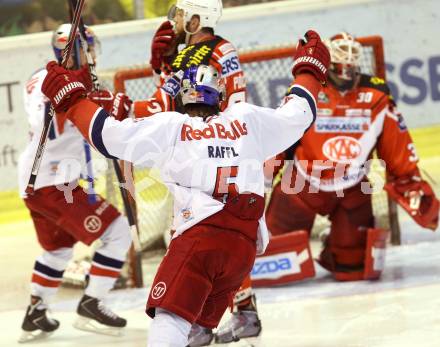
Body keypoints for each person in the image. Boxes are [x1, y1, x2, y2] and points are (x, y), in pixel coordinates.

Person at [40, 30, 330, 346]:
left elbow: (108, 138)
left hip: (200, 239)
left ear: (182, 97)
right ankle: (242, 309)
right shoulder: (247, 119)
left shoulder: (172, 126)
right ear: (218, 95)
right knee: (195, 332)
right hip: (243, 250)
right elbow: (300, 113)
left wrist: (72, 99)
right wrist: (308, 70)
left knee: (171, 321)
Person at [263, 32, 439, 283]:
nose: (346, 74)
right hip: (301, 184)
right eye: (340, 67)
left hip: (353, 187)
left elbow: (396, 145)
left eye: (351, 68)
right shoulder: (309, 89)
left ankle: (333, 244)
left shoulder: (377, 96)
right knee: (268, 260)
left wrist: (410, 183)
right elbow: (282, 130)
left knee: (354, 269)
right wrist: (264, 173)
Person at [134, 1, 258, 343]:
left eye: (180, 13)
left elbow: (235, 97)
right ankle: (203, 319)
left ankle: (245, 310)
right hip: (194, 146)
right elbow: (172, 97)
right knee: (191, 228)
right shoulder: (185, 52)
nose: (174, 20)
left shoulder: (221, 48)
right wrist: (161, 66)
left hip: (217, 148)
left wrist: (227, 139)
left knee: (220, 227)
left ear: (198, 16)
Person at [18, 24, 133, 342]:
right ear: (75, 49)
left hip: (44, 182)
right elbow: (51, 125)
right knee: (118, 232)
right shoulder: (45, 81)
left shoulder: (66, 80)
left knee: (57, 250)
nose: (94, 53)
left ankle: (36, 311)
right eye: (89, 46)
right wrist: (89, 98)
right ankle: (92, 302)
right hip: (52, 183)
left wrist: (93, 98)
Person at [132, 0, 246, 118]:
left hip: (206, 131)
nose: (175, 19)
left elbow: (166, 104)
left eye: (180, 14)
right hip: (233, 127)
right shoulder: (222, 45)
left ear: (194, 23)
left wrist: (128, 110)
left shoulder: (192, 58)